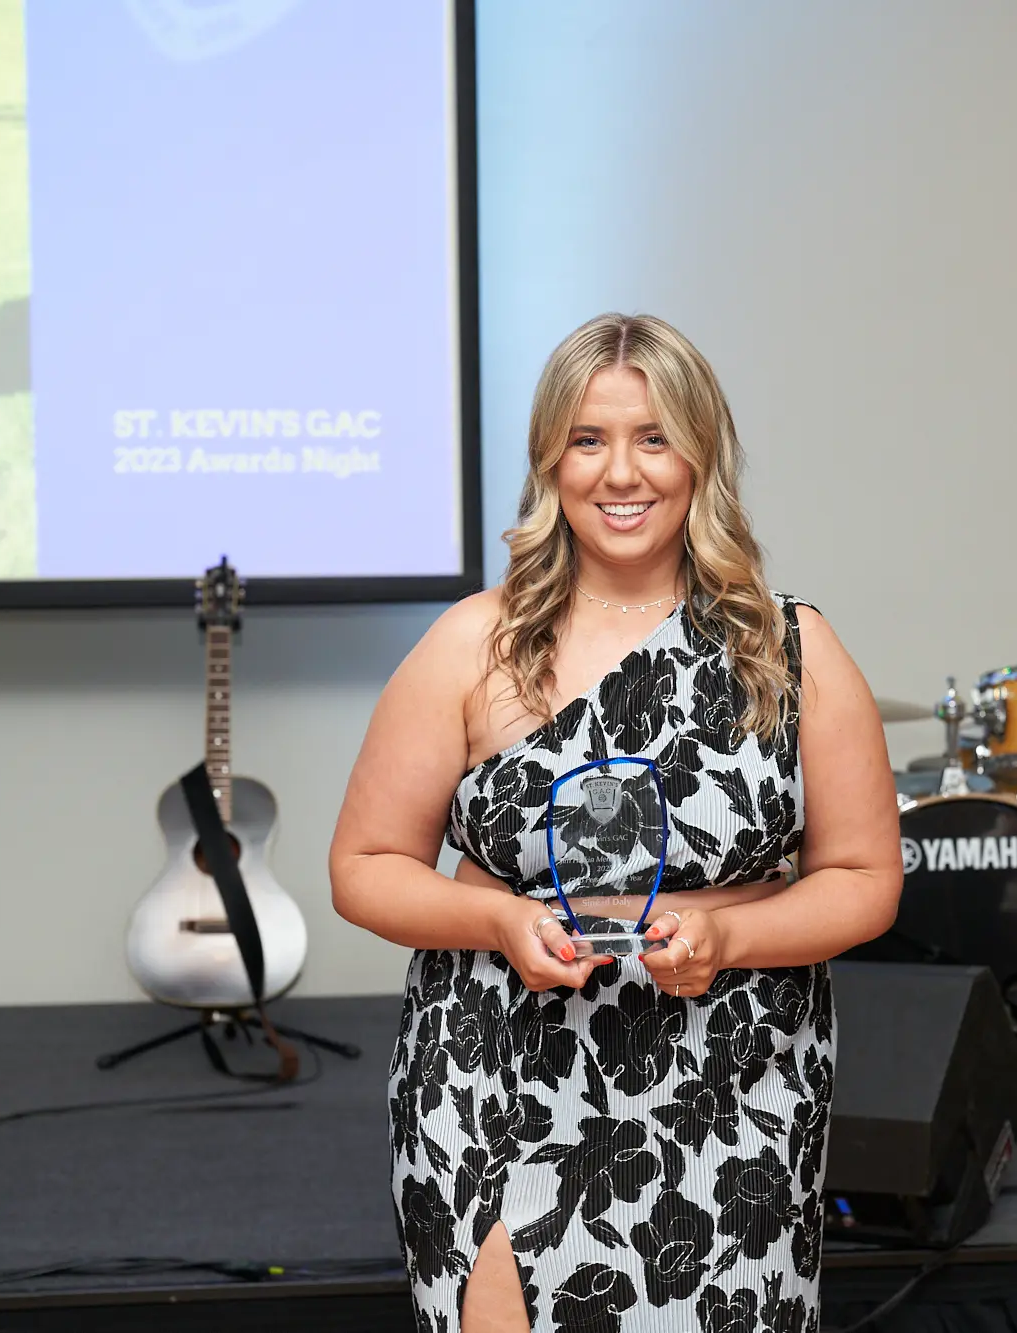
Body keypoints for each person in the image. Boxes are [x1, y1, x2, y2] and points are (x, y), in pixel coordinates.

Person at [330, 313, 902, 1331]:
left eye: (652, 437)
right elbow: (366, 865)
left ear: (700, 455)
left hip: (727, 1089)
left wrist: (730, 935)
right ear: (551, 459)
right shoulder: (474, 643)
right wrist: (500, 923)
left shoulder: (790, 649)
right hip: (494, 1074)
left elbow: (863, 879)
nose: (619, 472)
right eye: (587, 440)